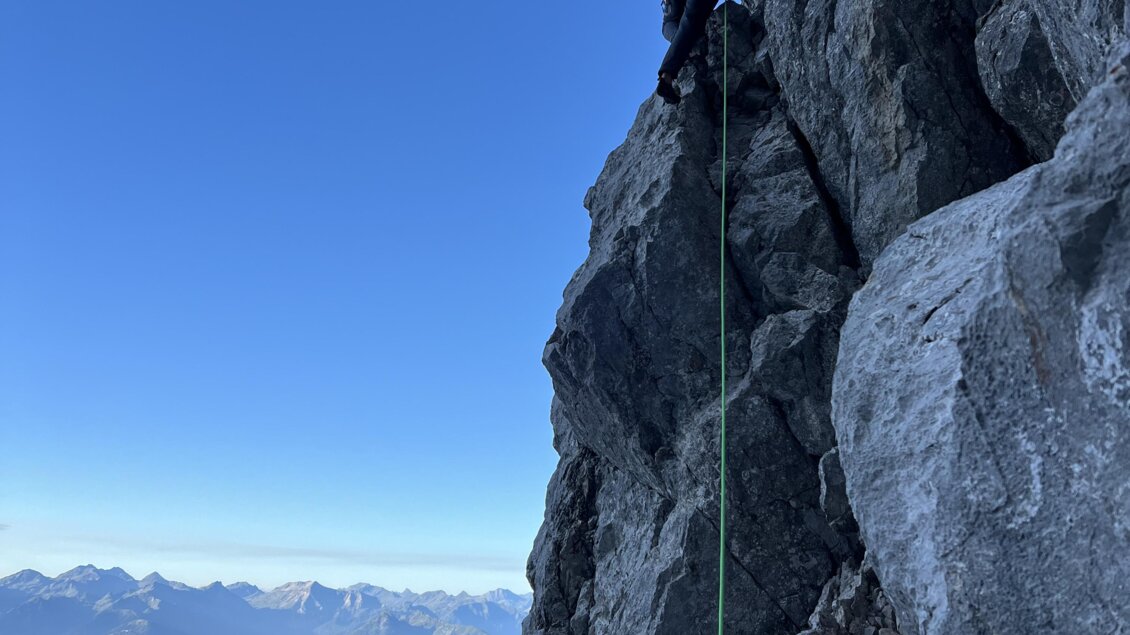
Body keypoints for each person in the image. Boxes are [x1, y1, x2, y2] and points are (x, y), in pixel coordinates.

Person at [657, 0, 718, 105]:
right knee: (690, 20)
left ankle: (667, 75)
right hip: (678, 16)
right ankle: (667, 75)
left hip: (671, 17)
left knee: (683, 26)